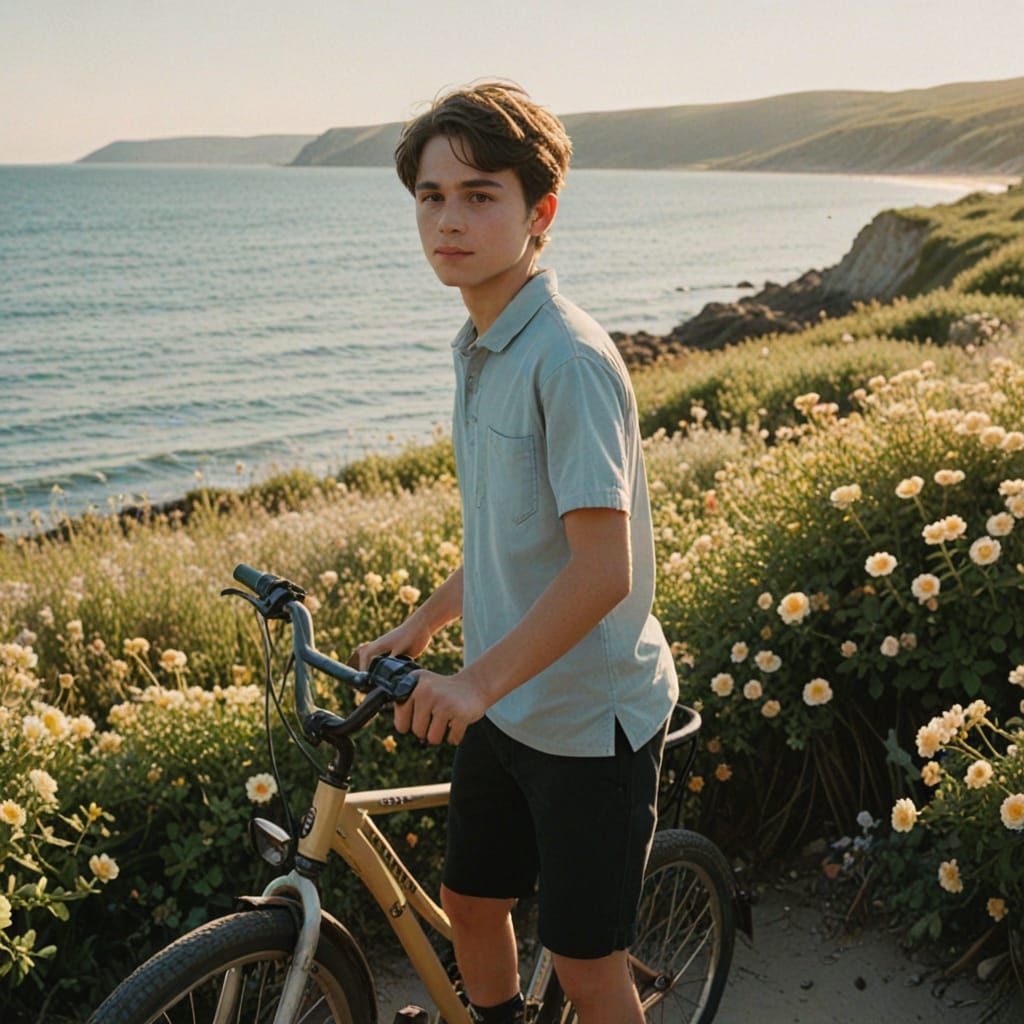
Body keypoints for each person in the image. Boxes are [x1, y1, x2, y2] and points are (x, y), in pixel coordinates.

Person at [350, 82, 678, 1024]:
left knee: (584, 966)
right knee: (470, 905)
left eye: (479, 195)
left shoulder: (565, 360)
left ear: (540, 214)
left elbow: (601, 571)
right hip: (502, 694)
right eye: (430, 196)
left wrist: (474, 686)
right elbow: (509, 536)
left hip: (585, 719)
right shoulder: (478, 341)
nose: (448, 220)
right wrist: (420, 628)